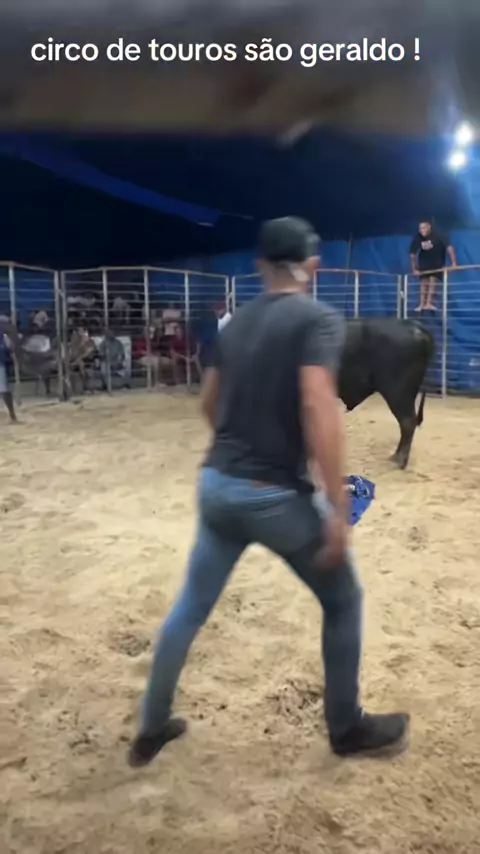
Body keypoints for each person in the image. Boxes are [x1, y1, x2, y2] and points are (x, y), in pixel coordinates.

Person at [128, 216, 410, 768]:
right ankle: (347, 727)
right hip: (274, 497)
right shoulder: (317, 319)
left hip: (217, 486)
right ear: (313, 266)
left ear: (259, 266)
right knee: (344, 599)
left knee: (190, 607)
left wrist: (238, 448)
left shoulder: (234, 324)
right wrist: (336, 509)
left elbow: (209, 404)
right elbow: (318, 406)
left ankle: (151, 727)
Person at [409, 221, 457, 311]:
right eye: (420, 228)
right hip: (424, 264)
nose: (421, 230)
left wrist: (454, 263)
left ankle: (429, 303)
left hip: (437, 263)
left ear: (429, 227)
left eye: (423, 228)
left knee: (433, 280)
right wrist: (414, 269)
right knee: (423, 282)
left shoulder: (439, 235)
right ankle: (422, 304)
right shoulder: (418, 237)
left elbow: (449, 248)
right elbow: (412, 254)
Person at [0, 328, 17, 422]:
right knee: (4, 389)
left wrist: (13, 362)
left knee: (4, 389)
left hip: (1, 364)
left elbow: (11, 349)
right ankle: (12, 414)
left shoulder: (3, 336)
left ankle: (12, 413)